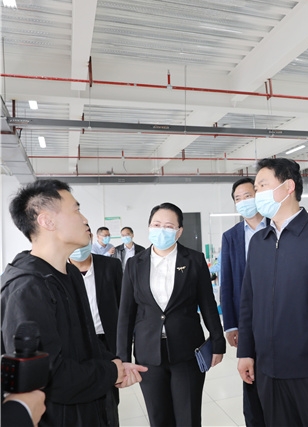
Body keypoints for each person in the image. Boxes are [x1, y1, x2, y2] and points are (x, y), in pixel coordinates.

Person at [1, 179, 146, 426]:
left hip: (94, 410)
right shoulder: (27, 289)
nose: (84, 220)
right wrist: (111, 372)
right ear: (47, 221)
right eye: (76, 210)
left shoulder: (70, 275)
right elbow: (52, 377)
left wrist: (116, 364)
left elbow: (85, 343)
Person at [237, 158, 308, 426]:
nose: (256, 193)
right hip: (267, 370)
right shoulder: (259, 242)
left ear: (288, 187)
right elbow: (248, 302)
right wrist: (246, 352)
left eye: (262, 185)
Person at [117, 202, 226, 427]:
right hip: (148, 353)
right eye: (157, 224)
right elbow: (126, 313)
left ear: (179, 231)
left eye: (168, 226)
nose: (162, 230)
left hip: (187, 350)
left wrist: (218, 341)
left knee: (188, 417)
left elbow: (207, 303)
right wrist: (123, 357)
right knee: (159, 417)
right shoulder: (135, 264)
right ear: (149, 227)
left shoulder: (194, 260)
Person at [220, 177, 267, 427]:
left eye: (248, 196)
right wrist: (230, 325)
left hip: (279, 315)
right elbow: (227, 282)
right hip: (247, 319)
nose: (243, 202)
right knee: (250, 377)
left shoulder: (276, 226)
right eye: (238, 199)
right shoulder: (231, 236)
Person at [69, 227, 124, 425]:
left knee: (110, 399)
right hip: (76, 344)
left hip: (106, 340)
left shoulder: (110, 265)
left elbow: (123, 304)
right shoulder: (60, 271)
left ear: (91, 238)